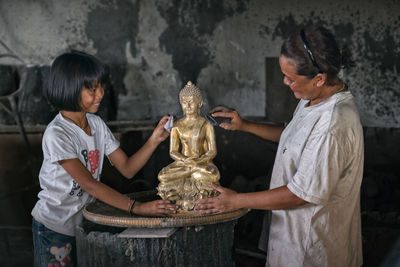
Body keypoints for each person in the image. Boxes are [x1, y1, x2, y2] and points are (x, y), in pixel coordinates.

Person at [196, 25, 364, 267]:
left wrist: (236, 201)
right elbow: (295, 136)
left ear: (319, 79)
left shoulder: (333, 123)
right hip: (291, 235)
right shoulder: (313, 99)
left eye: (291, 78)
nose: (285, 82)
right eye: (284, 74)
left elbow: (299, 194)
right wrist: (245, 125)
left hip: (312, 247)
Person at [31, 50, 178, 267]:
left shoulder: (96, 124)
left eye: (100, 86)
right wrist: (138, 208)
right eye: (92, 89)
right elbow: (90, 185)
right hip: (54, 227)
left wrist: (155, 139)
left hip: (83, 223)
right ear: (69, 89)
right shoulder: (57, 134)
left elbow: (127, 168)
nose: (100, 94)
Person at [157, 81, 220, 211]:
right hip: (183, 164)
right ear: (181, 104)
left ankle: (192, 173)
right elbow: (173, 151)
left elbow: (212, 151)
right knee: (162, 176)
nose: (188, 105)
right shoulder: (177, 125)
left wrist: (198, 161)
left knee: (213, 174)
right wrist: (185, 161)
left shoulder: (206, 124)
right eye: (184, 102)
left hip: (201, 163)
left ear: (200, 103)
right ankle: (191, 173)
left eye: (191, 101)